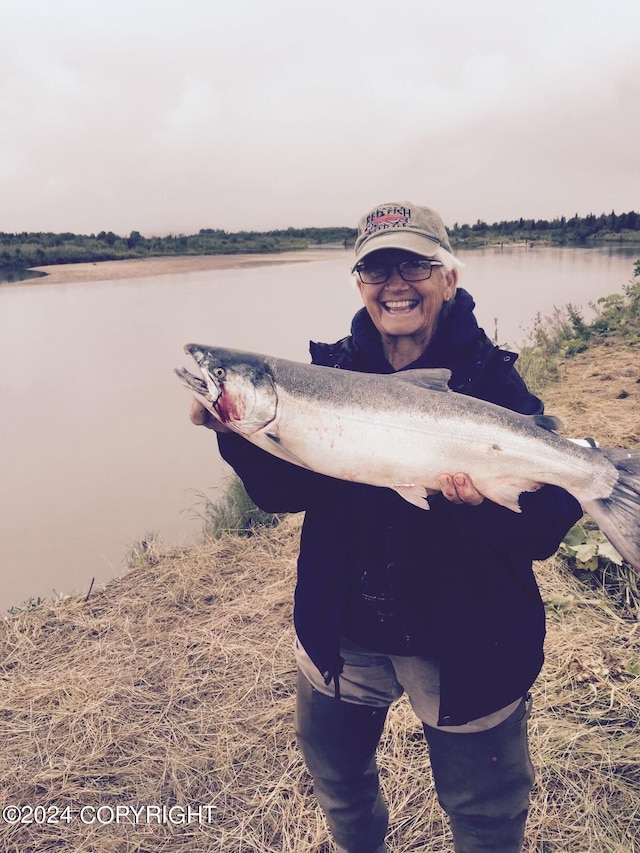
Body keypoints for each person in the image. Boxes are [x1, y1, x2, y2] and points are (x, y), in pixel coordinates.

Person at [189, 201, 583, 853]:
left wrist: (477, 506)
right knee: (338, 780)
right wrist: (234, 433)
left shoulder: (497, 385)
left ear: (449, 278)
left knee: (485, 811)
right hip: (344, 631)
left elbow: (543, 527)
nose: (395, 283)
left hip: (466, 642)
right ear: (359, 283)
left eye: (415, 265)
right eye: (376, 268)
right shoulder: (329, 375)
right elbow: (281, 491)